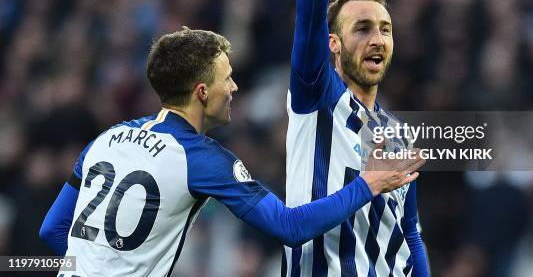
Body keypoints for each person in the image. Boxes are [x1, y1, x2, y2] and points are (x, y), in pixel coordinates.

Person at [39, 28, 424, 276]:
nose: (236, 88)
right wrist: (368, 184)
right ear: (202, 92)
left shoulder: (106, 138)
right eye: (227, 78)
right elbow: (290, 228)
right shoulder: (203, 159)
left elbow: (53, 229)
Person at [285, 0, 430, 276]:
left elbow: (411, 234)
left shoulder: (398, 133)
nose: (377, 38)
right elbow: (308, 22)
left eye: (385, 28)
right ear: (333, 44)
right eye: (362, 28)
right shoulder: (316, 96)